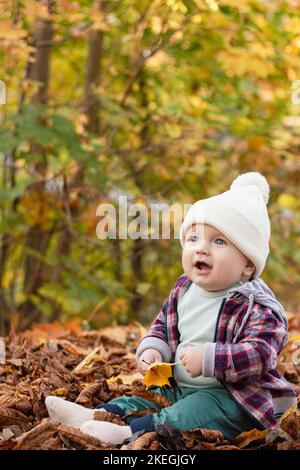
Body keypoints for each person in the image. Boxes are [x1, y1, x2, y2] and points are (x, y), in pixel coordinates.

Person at [45, 172, 297, 445]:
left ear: (248, 264)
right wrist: (154, 348)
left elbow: (261, 355)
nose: (202, 249)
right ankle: (97, 415)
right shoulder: (185, 288)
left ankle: (127, 435)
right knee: (142, 398)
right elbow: (164, 325)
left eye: (219, 242)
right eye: (194, 239)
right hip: (179, 387)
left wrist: (212, 359)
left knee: (191, 413)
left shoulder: (256, 306)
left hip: (233, 399)